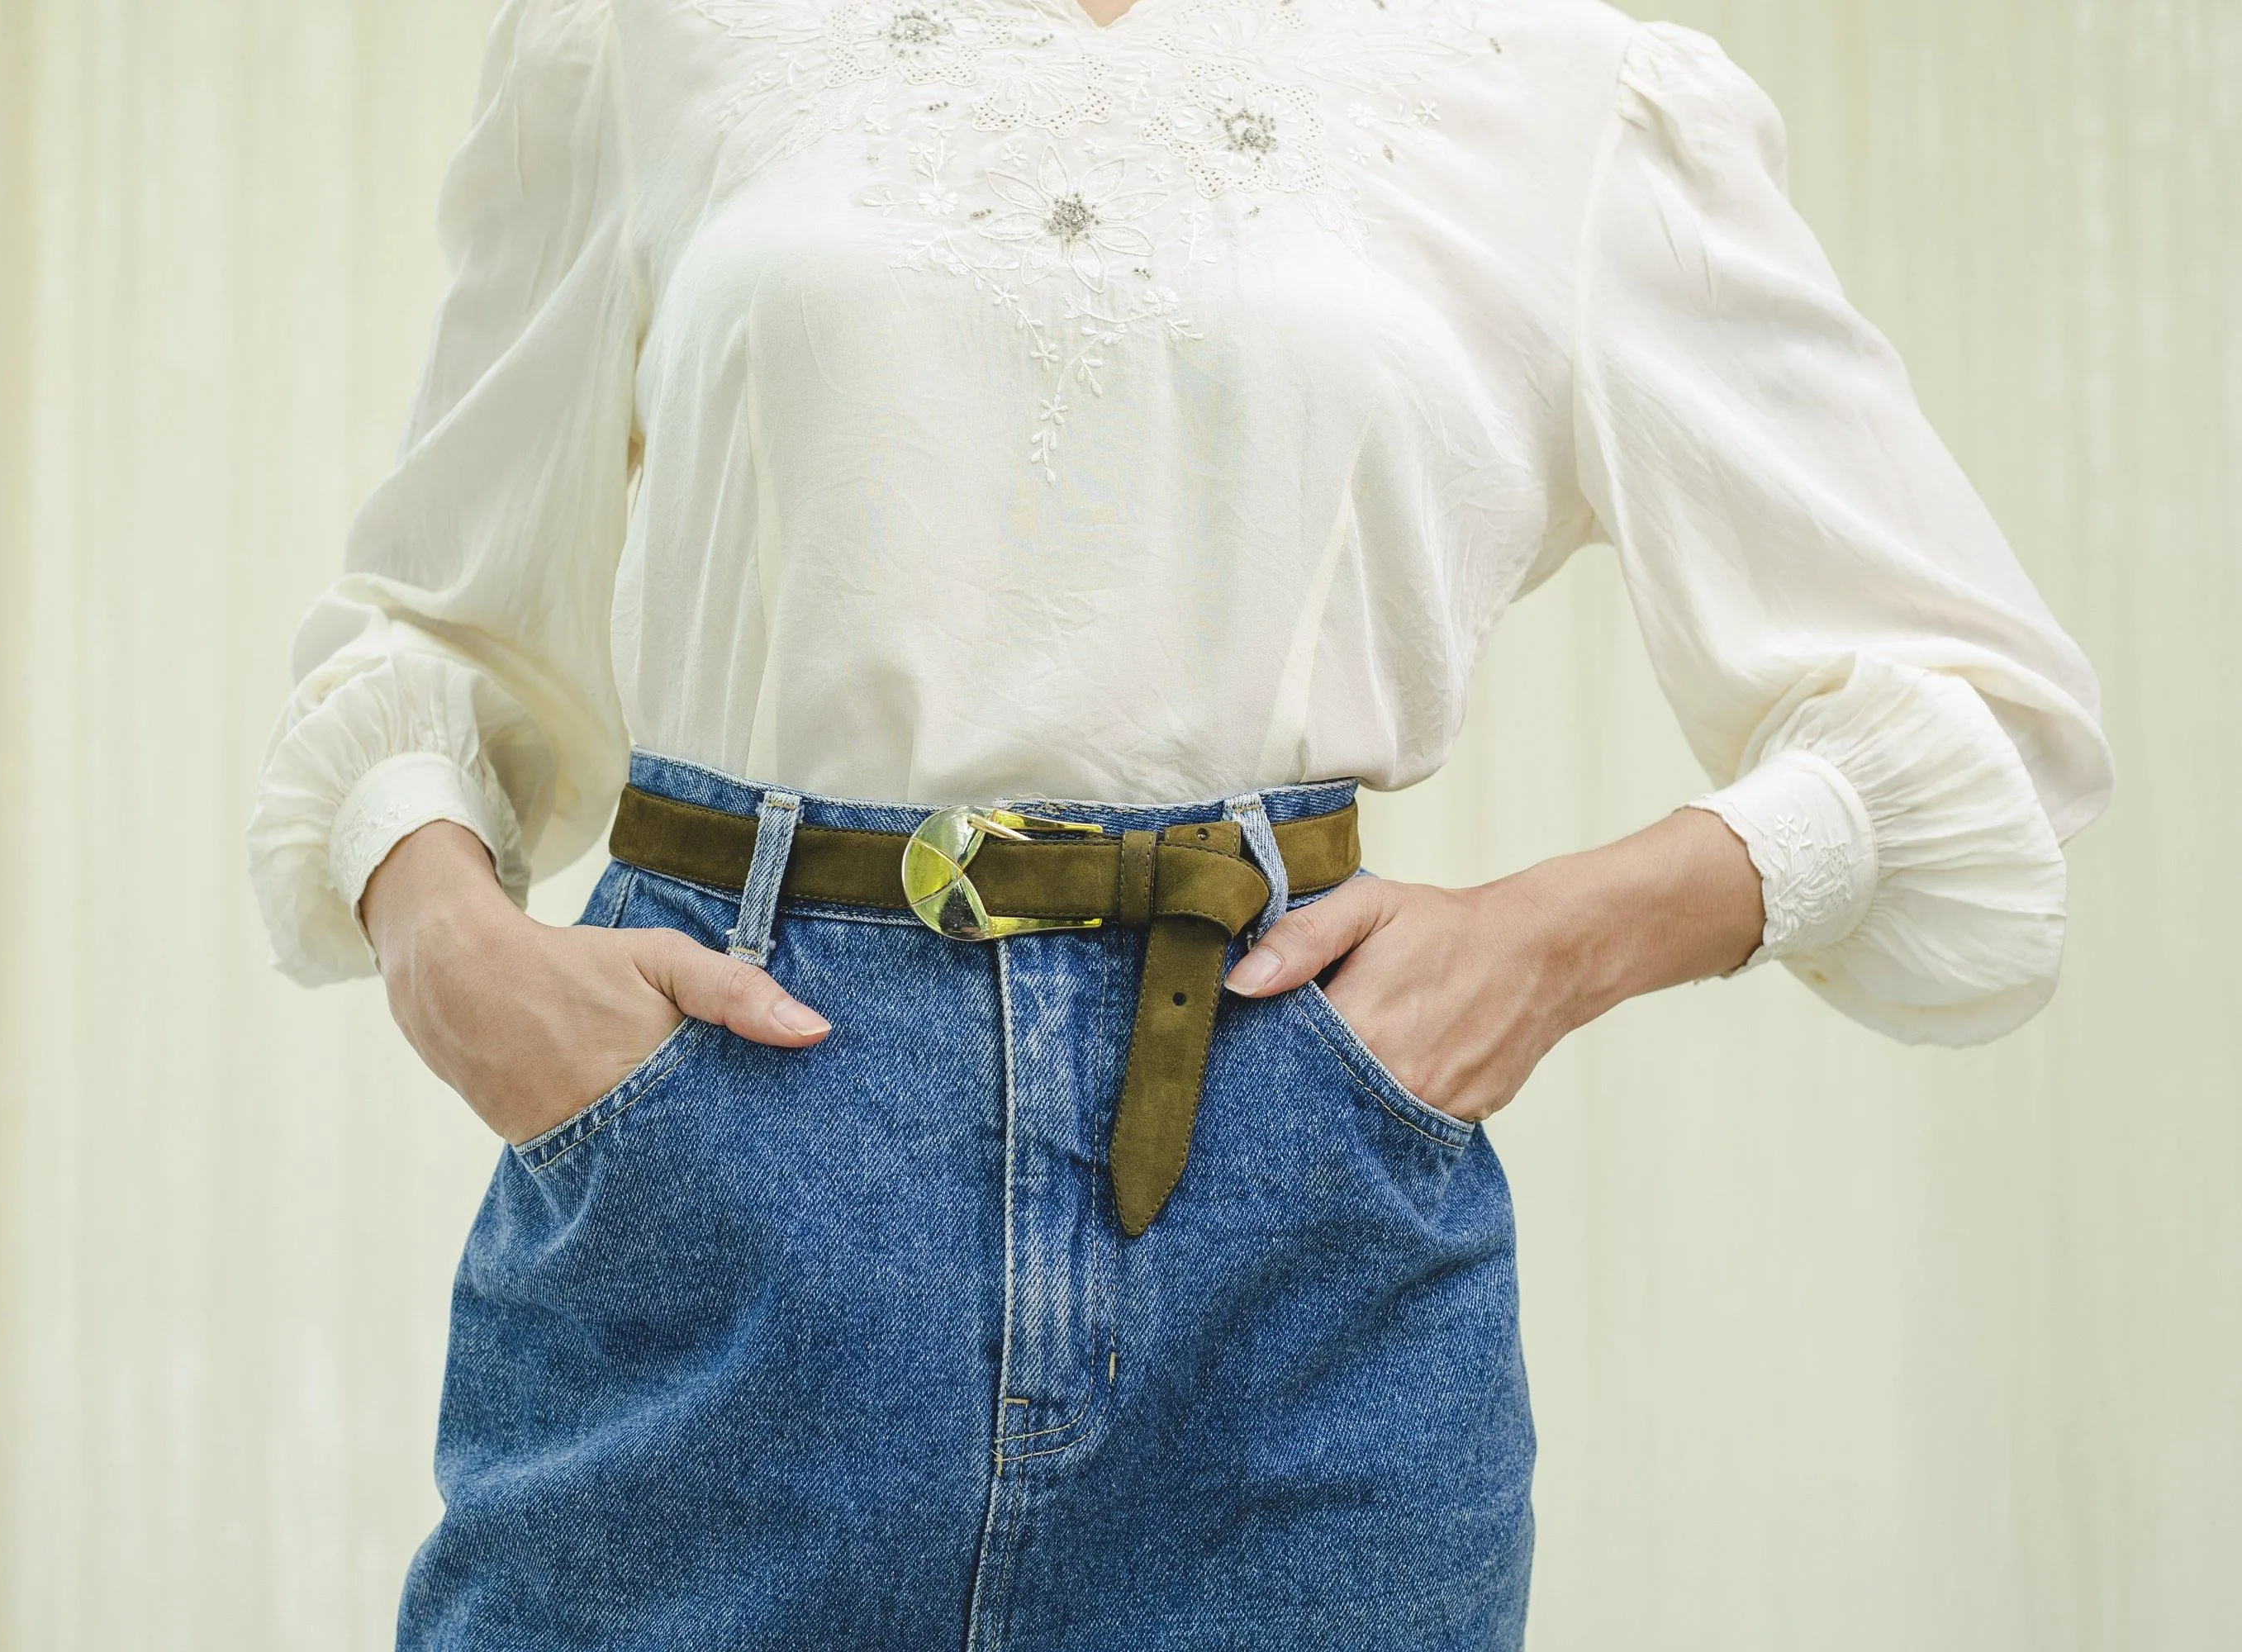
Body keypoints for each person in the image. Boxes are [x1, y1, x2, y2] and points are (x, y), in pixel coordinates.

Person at [245, 0, 2112, 1645]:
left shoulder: (1557, 89)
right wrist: (448, 939)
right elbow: (438, 618)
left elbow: (1973, 720)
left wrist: (1563, 938)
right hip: (722, 1185)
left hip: (1292, 1218)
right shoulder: (666, 33)